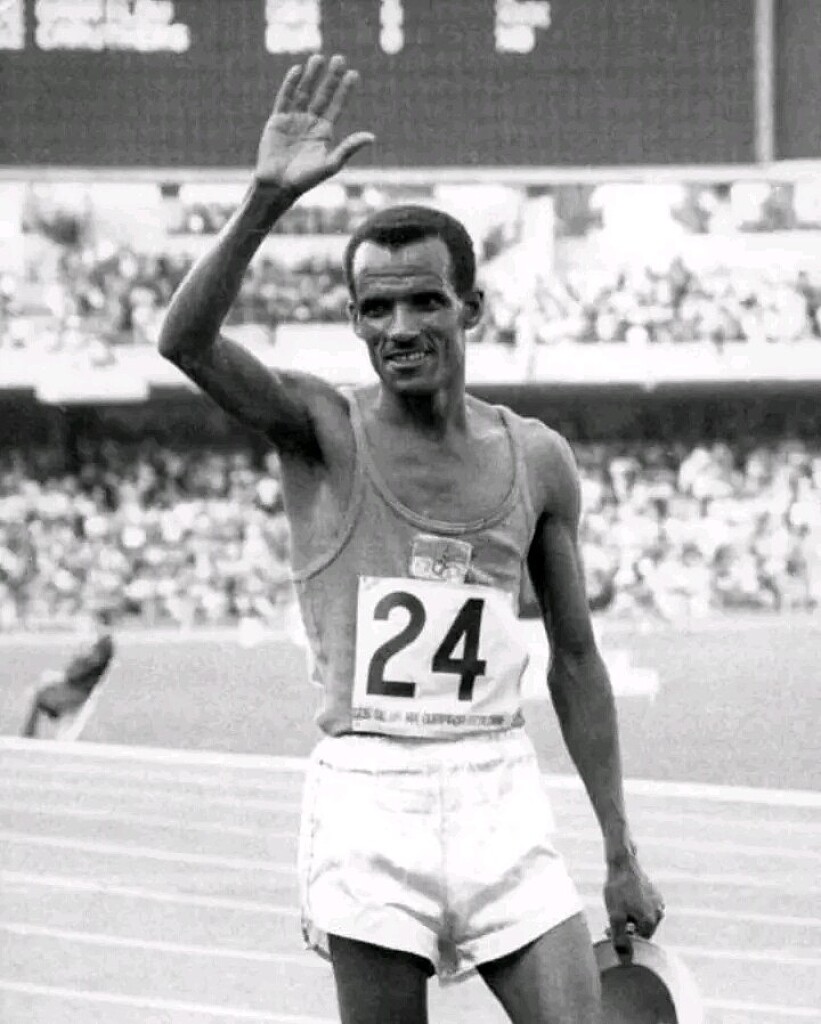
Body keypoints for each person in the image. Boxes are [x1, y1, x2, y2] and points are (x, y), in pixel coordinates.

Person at [159, 54, 665, 1024]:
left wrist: (618, 848)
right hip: (370, 795)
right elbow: (184, 342)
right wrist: (264, 202)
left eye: (425, 300)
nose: (400, 325)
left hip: (497, 786)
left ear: (469, 307)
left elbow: (575, 659)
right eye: (377, 306)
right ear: (353, 320)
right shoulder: (320, 429)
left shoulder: (537, 458)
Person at [21, 616, 115, 740]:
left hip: (77, 693)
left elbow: (79, 672)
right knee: (40, 689)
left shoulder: (102, 646)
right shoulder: (102, 645)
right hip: (77, 688)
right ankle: (30, 734)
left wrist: (64, 673)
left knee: (38, 694)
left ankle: (28, 736)